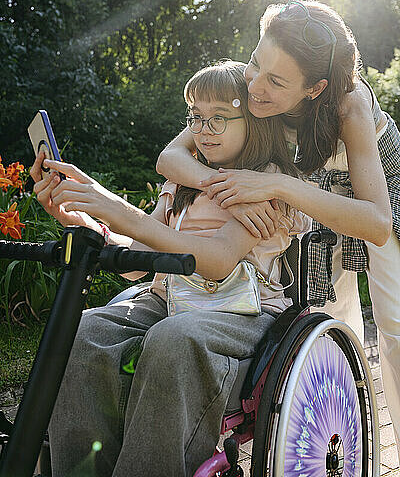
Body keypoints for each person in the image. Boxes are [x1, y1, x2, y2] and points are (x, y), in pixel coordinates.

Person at [30, 61, 310, 477]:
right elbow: (136, 261)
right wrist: (80, 216)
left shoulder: (267, 181)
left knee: (173, 339)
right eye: (196, 117)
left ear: (255, 121)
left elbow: (216, 261)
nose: (204, 129)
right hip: (168, 299)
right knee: (82, 330)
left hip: (240, 310)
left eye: (219, 117)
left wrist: (122, 211)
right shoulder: (182, 182)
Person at [156, 0, 400, 458]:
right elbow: (170, 157)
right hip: (307, 193)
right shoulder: (248, 88)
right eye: (255, 64)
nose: (257, 86)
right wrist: (222, 183)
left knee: (397, 326)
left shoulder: (349, 107)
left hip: (375, 189)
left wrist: (274, 184)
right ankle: (335, 443)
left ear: (315, 89)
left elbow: (377, 223)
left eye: (276, 82)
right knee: (332, 316)